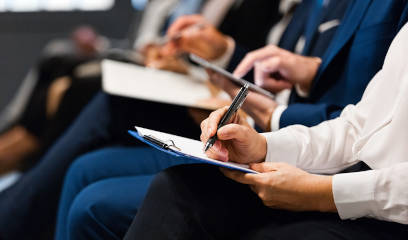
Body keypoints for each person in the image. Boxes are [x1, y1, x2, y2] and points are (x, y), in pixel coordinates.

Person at [53, 1, 408, 239]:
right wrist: (264, 147)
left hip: (374, 203)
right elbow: (360, 123)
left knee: (98, 190)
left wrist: (328, 193)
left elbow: (332, 96)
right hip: (336, 172)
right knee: (170, 187)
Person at [0, 1, 283, 239]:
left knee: (93, 103)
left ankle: (15, 207)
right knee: (64, 75)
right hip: (231, 117)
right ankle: (18, 198)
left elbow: (274, 91)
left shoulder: (264, 9)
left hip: (237, 131)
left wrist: (210, 69)